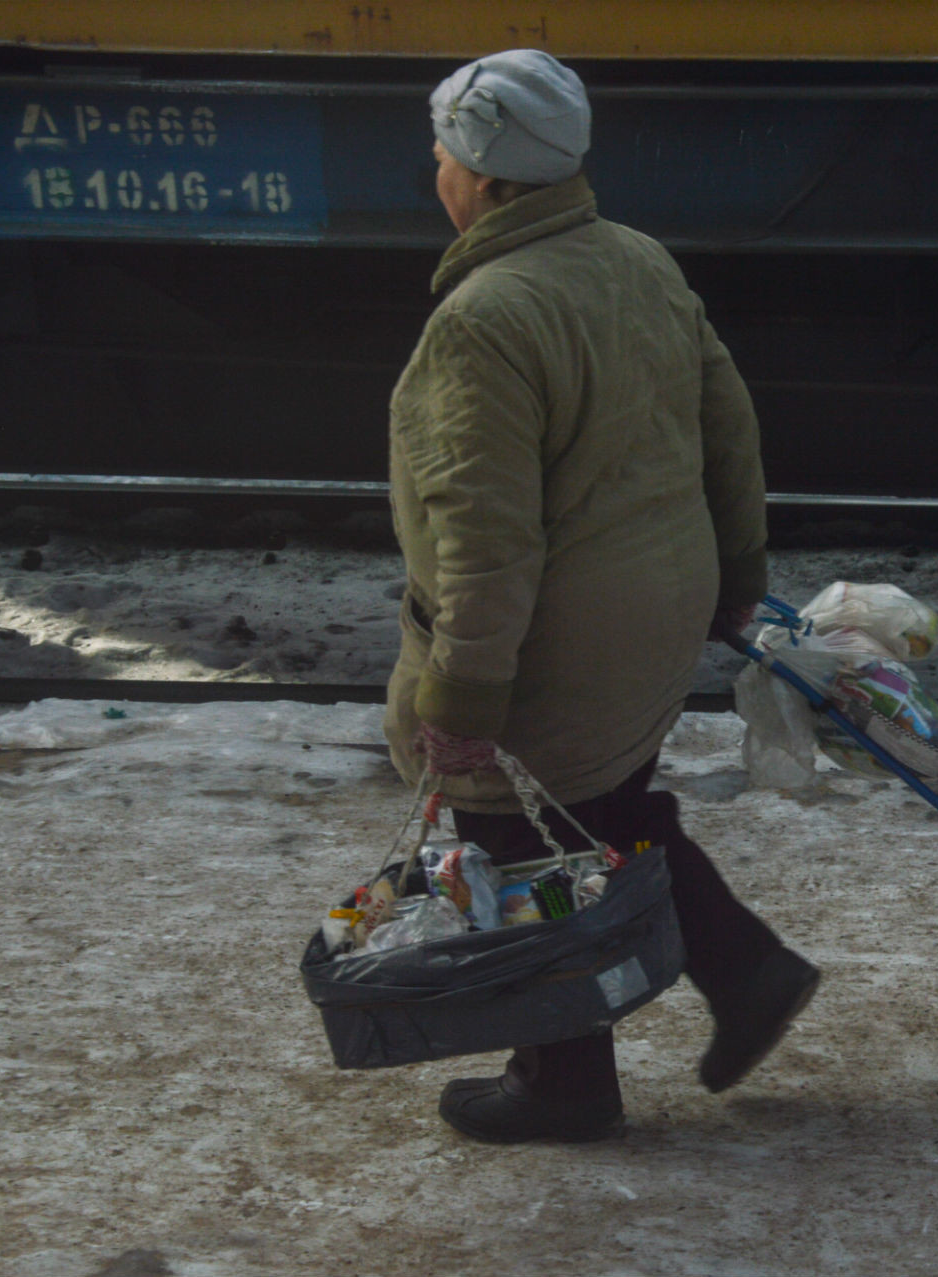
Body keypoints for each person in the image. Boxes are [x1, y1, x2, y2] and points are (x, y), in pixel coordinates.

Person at [383, 48, 818, 1144]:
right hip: (654, 615)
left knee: (519, 842)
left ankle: (561, 1080)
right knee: (609, 809)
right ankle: (746, 968)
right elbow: (730, 436)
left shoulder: (484, 318)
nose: (434, 170)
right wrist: (739, 579)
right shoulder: (638, 261)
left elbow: (484, 540)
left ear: (483, 176)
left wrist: (463, 699)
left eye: (441, 153)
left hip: (553, 641)